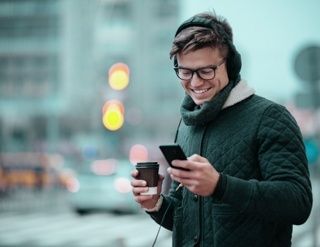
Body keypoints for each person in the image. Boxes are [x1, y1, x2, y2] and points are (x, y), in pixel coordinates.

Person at [131, 11, 313, 247]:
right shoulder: (187, 124)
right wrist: (155, 204)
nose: (195, 83)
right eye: (185, 72)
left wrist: (220, 185)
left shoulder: (270, 117)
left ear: (230, 64)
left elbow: (298, 203)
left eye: (206, 71)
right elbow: (188, 221)